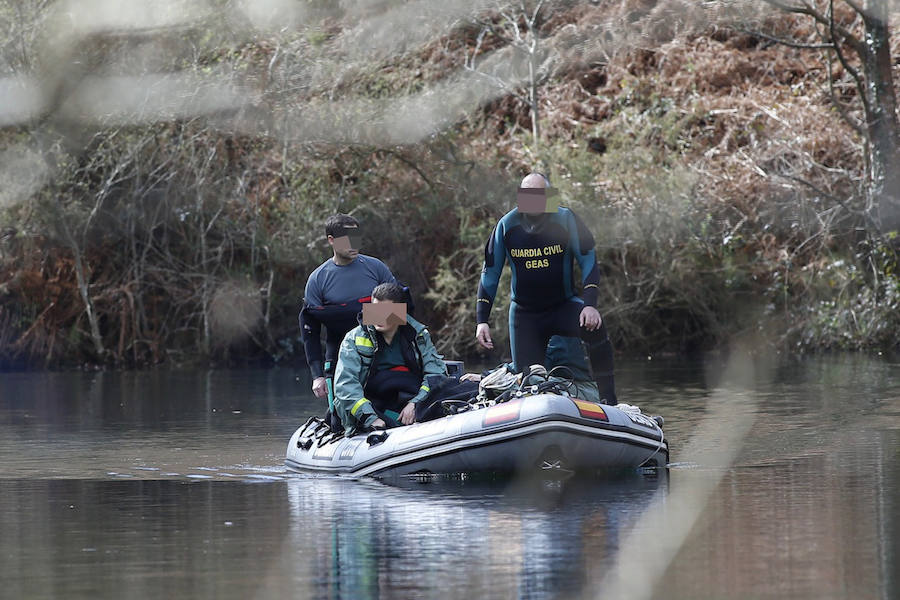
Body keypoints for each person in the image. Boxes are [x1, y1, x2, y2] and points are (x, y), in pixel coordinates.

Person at [475, 173, 617, 404]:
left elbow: (589, 261)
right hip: (525, 314)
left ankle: (610, 400)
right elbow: (490, 274)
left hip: (563, 305)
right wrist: (482, 320)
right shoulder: (507, 226)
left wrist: (590, 305)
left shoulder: (565, 219)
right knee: (527, 380)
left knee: (596, 328)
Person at [300, 214, 397, 407]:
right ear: (331, 240)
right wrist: (317, 375)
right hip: (338, 359)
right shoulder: (318, 279)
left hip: (383, 356)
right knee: (341, 415)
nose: (354, 244)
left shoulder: (376, 268)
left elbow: (400, 313)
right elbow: (310, 330)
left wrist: (348, 314)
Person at [334, 282, 447, 434]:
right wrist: (371, 418)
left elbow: (436, 374)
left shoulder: (418, 335)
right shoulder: (353, 339)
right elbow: (345, 386)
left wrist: (415, 403)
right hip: (372, 407)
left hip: (410, 400)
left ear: (399, 311)